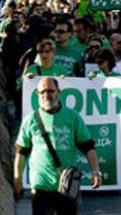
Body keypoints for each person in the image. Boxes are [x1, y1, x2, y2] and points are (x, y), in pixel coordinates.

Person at [14, 77, 102, 214]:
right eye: (42, 92)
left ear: (59, 92)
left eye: (50, 91)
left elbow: (88, 146)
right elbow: (21, 152)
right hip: (40, 185)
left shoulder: (72, 117)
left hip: (67, 185)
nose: (46, 95)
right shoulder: (30, 120)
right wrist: (17, 179)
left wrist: (95, 171)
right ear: (37, 94)